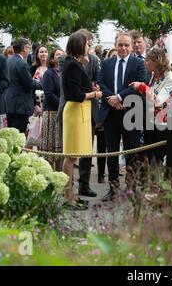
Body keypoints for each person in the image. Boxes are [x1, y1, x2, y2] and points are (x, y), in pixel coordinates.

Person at [97, 32, 148, 201]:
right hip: (111, 114)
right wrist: (111, 99)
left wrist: (119, 97)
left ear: (132, 46)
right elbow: (101, 82)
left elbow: (140, 83)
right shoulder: (107, 63)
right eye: (120, 45)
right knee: (111, 152)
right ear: (115, 45)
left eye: (127, 45)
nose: (123, 48)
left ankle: (131, 188)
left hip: (131, 113)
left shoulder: (139, 64)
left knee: (131, 153)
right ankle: (113, 188)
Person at [61, 32, 102, 210]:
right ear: (79, 45)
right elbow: (75, 95)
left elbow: (79, 87)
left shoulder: (75, 64)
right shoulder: (72, 66)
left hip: (80, 113)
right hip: (76, 112)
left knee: (73, 155)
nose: (89, 47)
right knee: (71, 157)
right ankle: (68, 196)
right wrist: (95, 94)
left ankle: (72, 195)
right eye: (87, 44)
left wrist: (90, 87)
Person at [130, 47, 172, 164]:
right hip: (151, 123)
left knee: (158, 158)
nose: (144, 62)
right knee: (150, 157)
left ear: (157, 61)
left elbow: (158, 101)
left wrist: (141, 86)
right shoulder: (153, 76)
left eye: (147, 60)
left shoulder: (170, 78)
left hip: (163, 126)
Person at [73, 29, 102, 198]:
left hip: (89, 107)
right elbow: (70, 86)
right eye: (87, 42)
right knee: (67, 149)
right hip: (71, 107)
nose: (89, 45)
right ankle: (66, 184)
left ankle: (84, 184)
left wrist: (94, 87)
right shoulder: (66, 60)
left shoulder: (94, 59)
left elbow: (97, 79)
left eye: (90, 42)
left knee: (86, 147)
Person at [5, 38, 42, 133]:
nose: (29, 51)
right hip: (21, 106)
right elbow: (29, 83)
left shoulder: (8, 61)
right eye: (29, 48)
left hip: (10, 104)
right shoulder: (21, 64)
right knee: (19, 136)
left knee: (12, 134)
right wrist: (40, 83)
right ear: (24, 48)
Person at [40, 49, 64, 170]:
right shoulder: (48, 74)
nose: (60, 57)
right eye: (57, 55)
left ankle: (59, 173)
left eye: (62, 54)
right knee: (50, 147)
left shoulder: (63, 73)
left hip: (61, 114)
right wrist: (63, 105)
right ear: (52, 58)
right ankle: (49, 174)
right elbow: (48, 94)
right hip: (51, 113)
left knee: (60, 146)